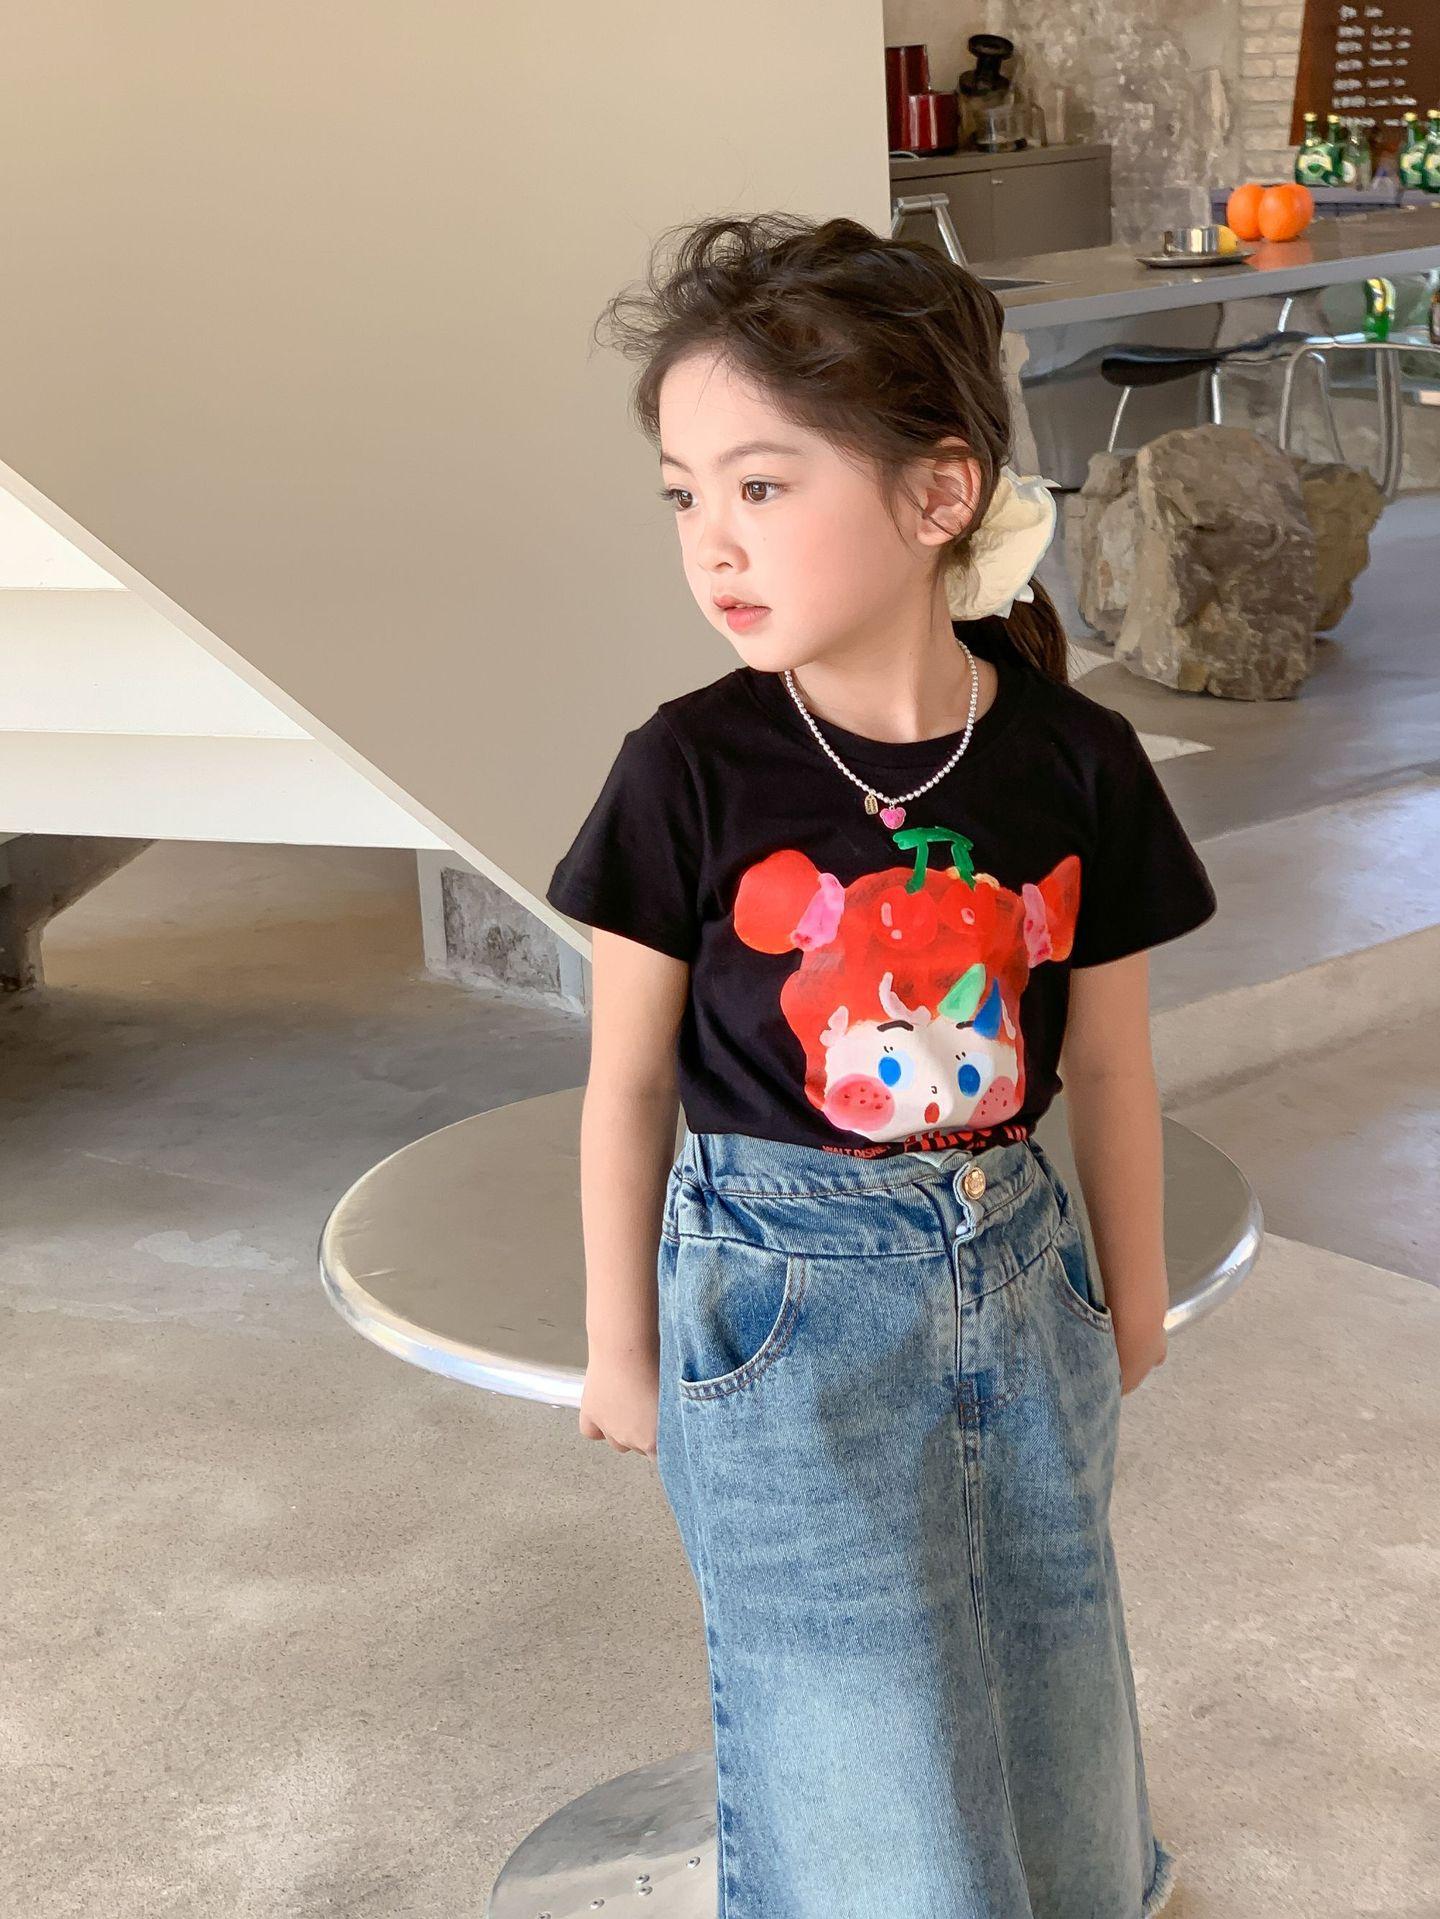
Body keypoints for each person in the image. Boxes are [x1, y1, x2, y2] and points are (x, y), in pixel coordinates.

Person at [545, 211, 1215, 1918]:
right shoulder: (684, 771)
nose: (713, 542)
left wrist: (1125, 1300)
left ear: (939, 497)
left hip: (1024, 1273)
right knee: (851, 1707)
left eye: (763, 486)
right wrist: (620, 1344)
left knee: (1050, 1655)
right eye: (685, 495)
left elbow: (1112, 1071)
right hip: (778, 1311)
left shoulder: (1077, 759)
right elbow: (628, 1086)